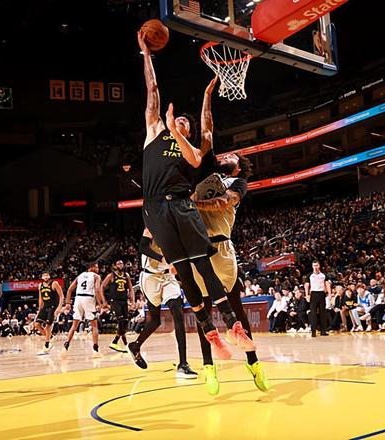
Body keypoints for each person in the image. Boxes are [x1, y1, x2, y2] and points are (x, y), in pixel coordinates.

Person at [137, 30, 253, 364]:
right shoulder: (154, 132)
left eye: (186, 123)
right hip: (155, 207)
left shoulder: (192, 153)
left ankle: (232, 326)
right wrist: (147, 54)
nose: (182, 121)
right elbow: (152, 92)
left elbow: (205, 135)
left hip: (182, 205)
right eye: (179, 119)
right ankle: (210, 331)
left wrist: (192, 114)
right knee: (183, 272)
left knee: (201, 263)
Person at [189, 76, 268, 393]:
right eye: (225, 155)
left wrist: (191, 203)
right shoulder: (207, 169)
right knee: (203, 314)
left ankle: (254, 363)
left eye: (231, 156)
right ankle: (209, 368)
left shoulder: (238, 183)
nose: (225, 156)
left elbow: (225, 202)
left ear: (238, 167)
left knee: (236, 309)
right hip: (198, 249)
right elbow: (207, 131)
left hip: (222, 250)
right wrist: (207, 95)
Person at [126, 229, 197, 379]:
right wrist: (165, 259)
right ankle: (135, 346)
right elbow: (143, 247)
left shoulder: (176, 229)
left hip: (168, 277)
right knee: (155, 320)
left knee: (178, 312)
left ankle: (183, 364)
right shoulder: (151, 226)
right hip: (150, 277)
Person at [61, 262, 107, 357]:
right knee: (94, 325)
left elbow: (69, 289)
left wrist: (68, 303)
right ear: (91, 268)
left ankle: (65, 346)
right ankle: (95, 350)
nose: (98, 269)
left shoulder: (80, 275)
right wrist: (100, 304)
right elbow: (97, 290)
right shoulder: (96, 276)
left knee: (74, 325)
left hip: (78, 299)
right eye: (97, 267)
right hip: (88, 299)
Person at [101, 260, 135, 353]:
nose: (121, 265)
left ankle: (121, 343)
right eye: (119, 263)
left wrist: (133, 301)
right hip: (115, 301)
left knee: (125, 322)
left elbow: (131, 289)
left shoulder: (126, 275)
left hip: (124, 301)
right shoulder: (111, 275)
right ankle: (119, 342)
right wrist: (104, 301)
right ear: (115, 266)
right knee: (121, 321)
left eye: (122, 263)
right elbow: (102, 287)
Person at [34, 272, 63, 354]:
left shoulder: (54, 283)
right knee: (36, 324)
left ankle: (47, 345)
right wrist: (39, 309)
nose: (46, 276)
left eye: (47, 275)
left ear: (49, 276)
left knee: (47, 326)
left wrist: (59, 308)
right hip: (45, 306)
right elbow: (40, 298)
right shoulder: (40, 285)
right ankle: (50, 337)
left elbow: (61, 296)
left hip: (53, 307)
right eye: (44, 275)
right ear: (42, 277)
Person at [305, 261, 331, 337]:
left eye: (316, 265)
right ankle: (313, 331)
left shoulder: (323, 275)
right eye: (314, 265)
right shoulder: (309, 275)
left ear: (319, 266)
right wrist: (307, 295)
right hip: (313, 294)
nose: (315, 267)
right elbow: (306, 285)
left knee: (323, 313)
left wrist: (329, 294)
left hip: (321, 294)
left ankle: (323, 331)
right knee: (313, 313)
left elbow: (327, 284)